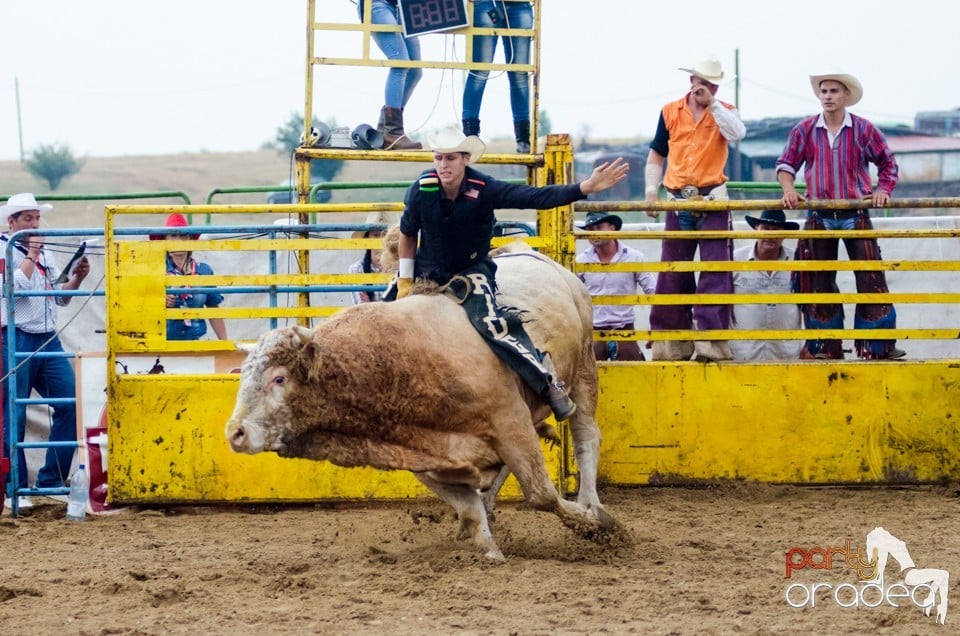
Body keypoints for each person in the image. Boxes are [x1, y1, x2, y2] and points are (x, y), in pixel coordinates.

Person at [391, 124, 628, 420]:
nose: (443, 165)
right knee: (383, 313)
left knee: (492, 324)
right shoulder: (421, 189)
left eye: (450, 158)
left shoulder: (484, 189)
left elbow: (533, 197)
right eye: (439, 157)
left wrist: (584, 188)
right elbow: (408, 233)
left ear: (465, 159)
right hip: (427, 272)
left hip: (471, 270)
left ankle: (545, 381)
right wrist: (404, 279)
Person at [776, 72, 903, 360]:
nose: (828, 96)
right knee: (819, 281)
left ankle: (879, 346)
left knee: (871, 277)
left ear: (845, 96)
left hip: (855, 210)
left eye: (834, 91)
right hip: (819, 211)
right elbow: (786, 164)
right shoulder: (805, 130)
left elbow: (887, 161)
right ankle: (825, 347)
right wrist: (788, 190)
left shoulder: (863, 129)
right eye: (824, 91)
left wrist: (883, 189)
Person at [644, 55, 747, 362]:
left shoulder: (725, 111)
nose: (703, 88)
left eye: (709, 84)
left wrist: (713, 105)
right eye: (700, 82)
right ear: (691, 82)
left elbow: (737, 133)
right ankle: (672, 343)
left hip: (712, 197)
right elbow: (657, 154)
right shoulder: (669, 111)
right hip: (678, 198)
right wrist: (652, 191)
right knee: (673, 272)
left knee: (716, 272)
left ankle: (711, 343)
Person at [1, 193, 90, 508]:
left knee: (70, 402)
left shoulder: (46, 253)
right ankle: (16, 488)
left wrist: (76, 278)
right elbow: (17, 290)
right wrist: (33, 252)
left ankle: (50, 480)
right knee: (14, 412)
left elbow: (59, 297)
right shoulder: (5, 248)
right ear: (11, 222)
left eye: (36, 218)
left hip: (46, 336)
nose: (35, 224)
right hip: (16, 335)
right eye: (28, 219)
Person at [576, 212, 656, 361]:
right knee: (586, 377)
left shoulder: (634, 258)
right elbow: (571, 296)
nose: (594, 234)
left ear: (612, 228)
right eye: (590, 230)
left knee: (637, 376)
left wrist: (656, 326)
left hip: (624, 328)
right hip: (593, 330)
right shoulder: (580, 261)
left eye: (599, 227)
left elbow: (653, 291)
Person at [461, 1, 534, 153]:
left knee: (519, 73)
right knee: (480, 71)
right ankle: (471, 136)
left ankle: (523, 139)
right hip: (487, 3)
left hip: (519, 5)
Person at [731, 210, 803, 362]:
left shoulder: (798, 262)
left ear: (785, 234)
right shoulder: (735, 260)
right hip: (742, 354)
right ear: (756, 229)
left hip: (786, 354)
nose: (770, 235)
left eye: (776, 230)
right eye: (765, 228)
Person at [149, 214, 228, 341]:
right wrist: (159, 301)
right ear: (164, 240)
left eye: (183, 235)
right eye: (173, 235)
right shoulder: (154, 270)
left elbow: (213, 307)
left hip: (198, 341)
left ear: (190, 239)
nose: (178, 240)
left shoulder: (204, 270)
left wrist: (225, 343)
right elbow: (143, 306)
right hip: (164, 344)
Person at [358, 0, 423, 150]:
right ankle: (393, 132)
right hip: (377, 4)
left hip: (401, 6)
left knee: (415, 71)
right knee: (400, 63)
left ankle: (385, 129)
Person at [348, 211, 397, 304]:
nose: (380, 240)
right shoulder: (357, 269)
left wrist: (371, 305)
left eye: (385, 235)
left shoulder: (399, 268)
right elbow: (361, 310)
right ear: (367, 239)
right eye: (376, 235)